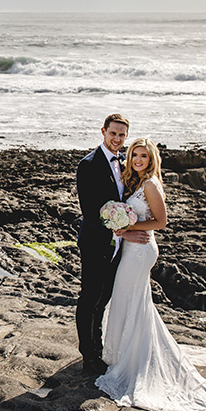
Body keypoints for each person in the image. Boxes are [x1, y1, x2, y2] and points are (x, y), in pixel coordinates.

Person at [95, 137, 206, 411]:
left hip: (141, 250)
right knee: (129, 298)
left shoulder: (150, 185)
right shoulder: (135, 182)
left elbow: (160, 222)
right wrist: (122, 228)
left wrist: (127, 226)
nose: (137, 159)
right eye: (135, 155)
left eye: (143, 156)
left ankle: (132, 359)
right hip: (131, 248)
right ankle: (123, 352)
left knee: (130, 297)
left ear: (151, 159)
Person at [75, 114, 148, 376]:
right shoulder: (89, 164)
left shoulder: (126, 164)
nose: (117, 139)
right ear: (103, 132)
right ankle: (88, 356)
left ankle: (98, 346)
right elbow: (90, 211)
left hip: (117, 245)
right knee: (89, 297)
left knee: (104, 298)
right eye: (113, 133)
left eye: (121, 135)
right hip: (95, 241)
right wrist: (124, 232)